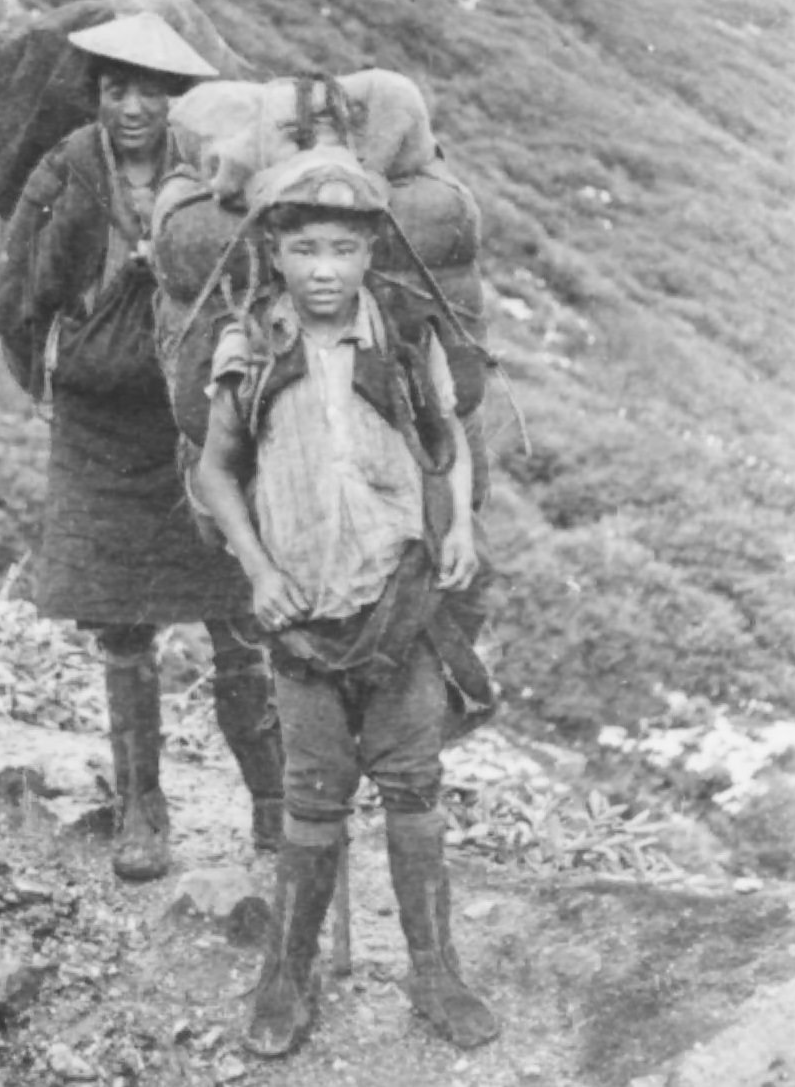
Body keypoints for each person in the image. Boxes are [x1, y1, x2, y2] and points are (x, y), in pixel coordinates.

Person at [196, 147, 499, 1058]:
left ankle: (434, 970)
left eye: (342, 248)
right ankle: (286, 976)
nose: (323, 270)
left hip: (399, 603)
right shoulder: (251, 340)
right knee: (312, 801)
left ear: (371, 249)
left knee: (413, 789)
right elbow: (213, 469)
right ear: (275, 251)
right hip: (302, 612)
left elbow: (449, 439)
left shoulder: (405, 333)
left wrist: (457, 530)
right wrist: (254, 564)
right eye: (303, 249)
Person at [0, 11, 283, 883]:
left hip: (196, 422)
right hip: (99, 426)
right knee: (121, 627)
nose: (131, 107)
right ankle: (142, 809)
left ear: (176, 99)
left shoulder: (209, 169)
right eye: (116, 89)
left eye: (150, 91)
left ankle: (272, 801)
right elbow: (17, 284)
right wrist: (71, 329)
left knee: (238, 614)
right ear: (98, 93)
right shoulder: (68, 167)